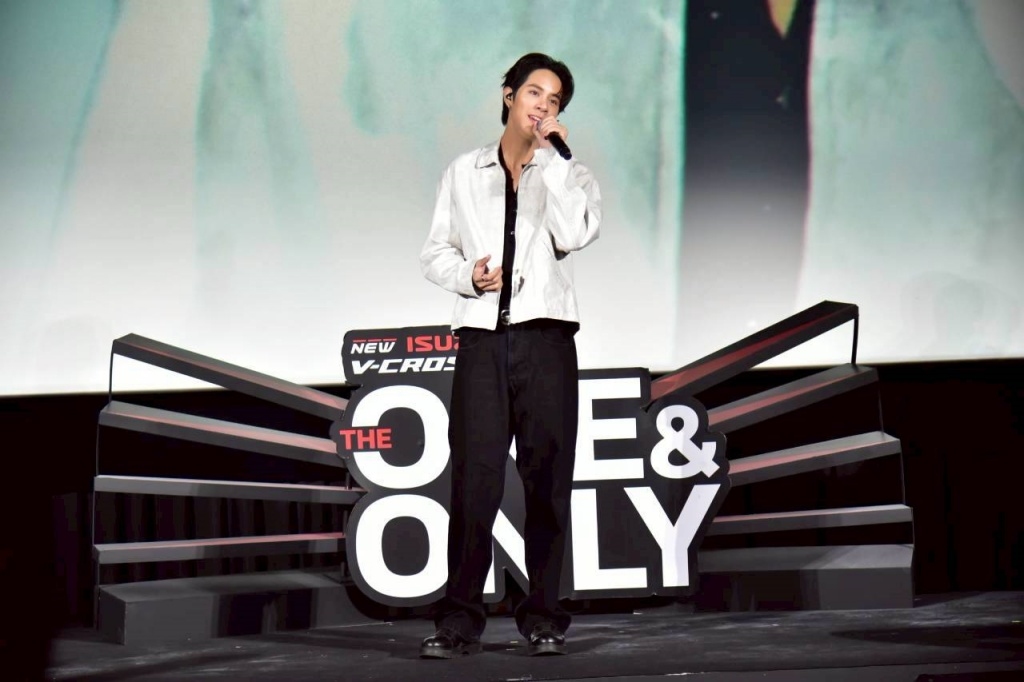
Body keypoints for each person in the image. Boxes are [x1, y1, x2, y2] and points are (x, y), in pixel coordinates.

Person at [418, 52, 601, 658]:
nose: (542, 106)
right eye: (534, 93)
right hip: (482, 341)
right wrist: (468, 276)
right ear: (508, 95)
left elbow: (574, 234)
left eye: (554, 100)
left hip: (546, 340)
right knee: (475, 483)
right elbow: (434, 252)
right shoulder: (463, 171)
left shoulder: (570, 173)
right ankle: (458, 621)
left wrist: (556, 162)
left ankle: (544, 617)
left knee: (547, 482)